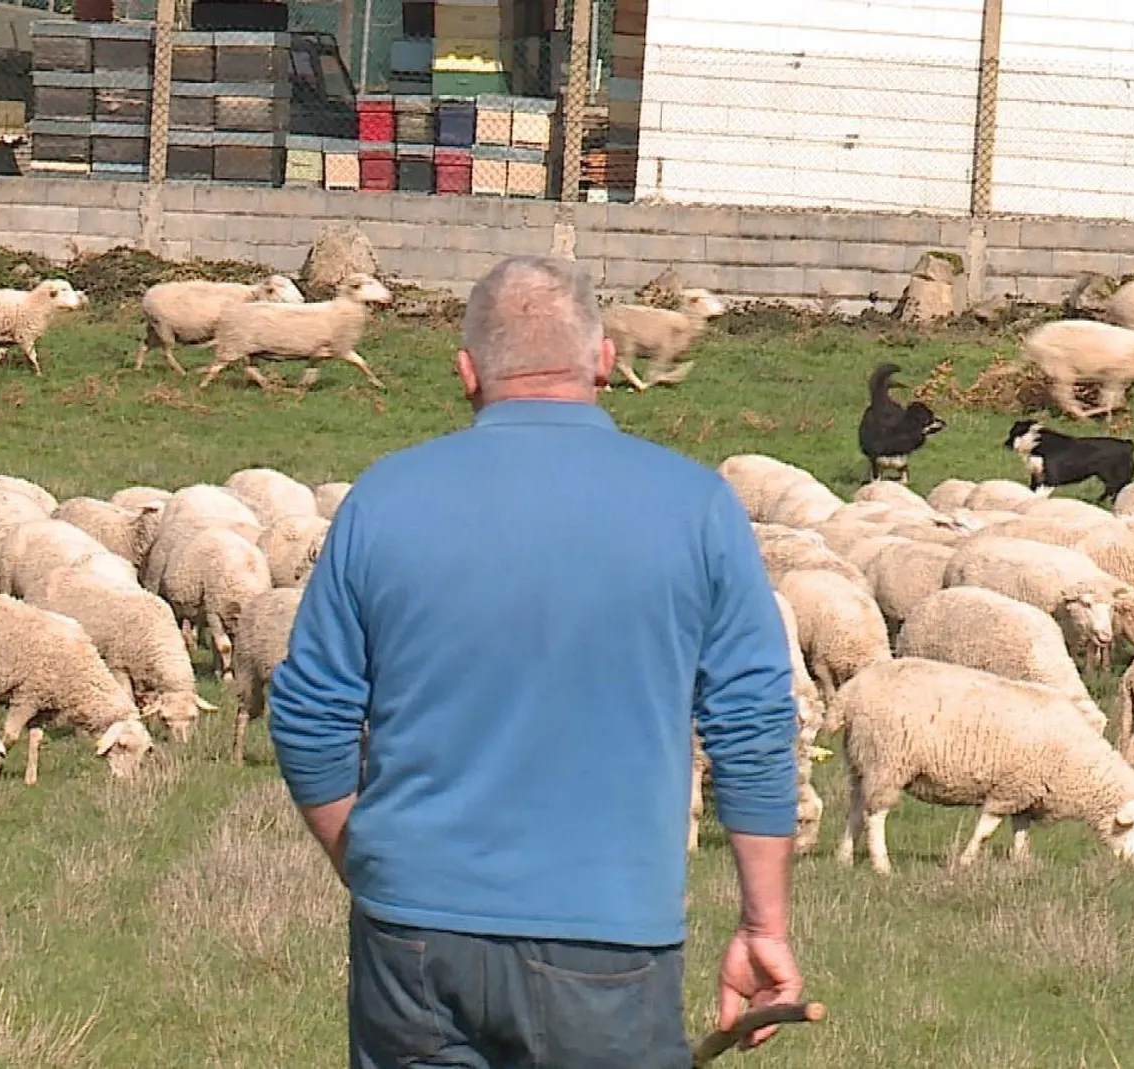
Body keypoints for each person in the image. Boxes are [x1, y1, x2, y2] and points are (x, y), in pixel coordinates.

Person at [267, 254, 805, 1069]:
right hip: (608, 940)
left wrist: (372, 860)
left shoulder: (384, 498)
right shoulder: (696, 506)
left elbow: (308, 711)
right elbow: (754, 725)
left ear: (466, 373)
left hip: (414, 937)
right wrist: (763, 925)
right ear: (602, 359)